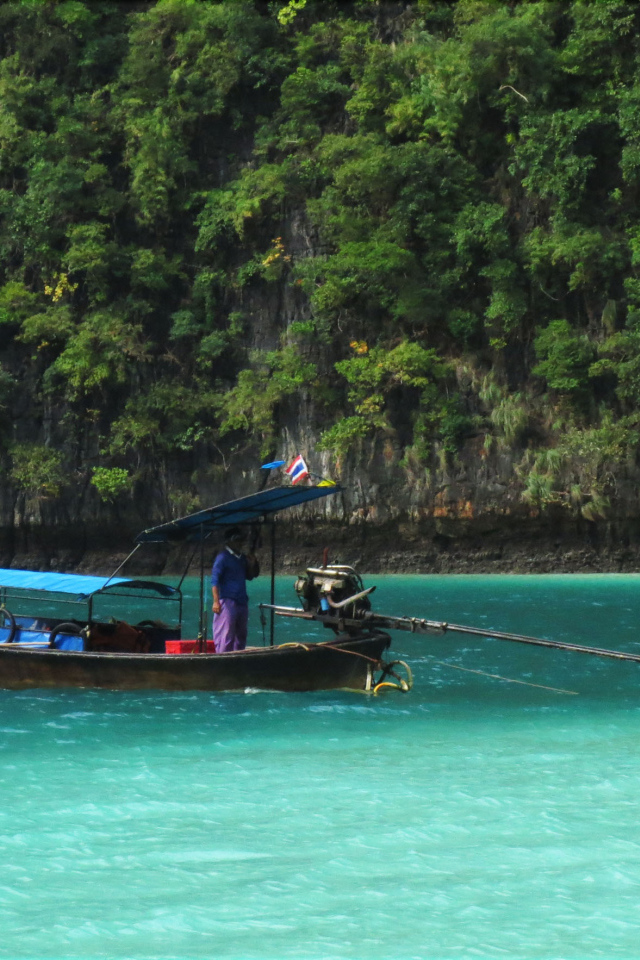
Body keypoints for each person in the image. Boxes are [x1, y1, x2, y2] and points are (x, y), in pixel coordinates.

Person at [211, 526, 259, 653]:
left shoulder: (241, 558)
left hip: (241, 600)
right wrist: (216, 601)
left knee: (241, 634)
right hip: (228, 601)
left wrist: (252, 564)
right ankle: (223, 657)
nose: (240, 542)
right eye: (237, 539)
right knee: (226, 634)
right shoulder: (222, 557)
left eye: (241, 539)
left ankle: (238, 656)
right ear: (229, 541)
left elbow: (250, 576)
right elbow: (215, 580)